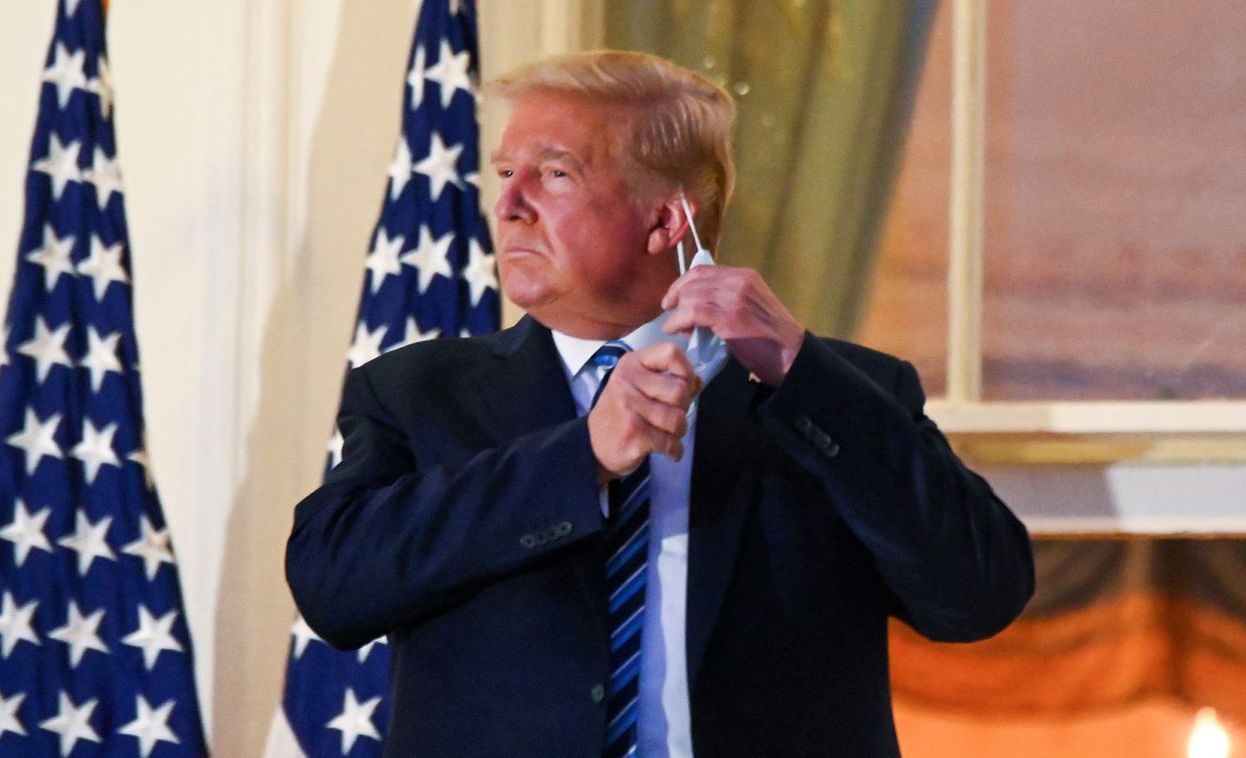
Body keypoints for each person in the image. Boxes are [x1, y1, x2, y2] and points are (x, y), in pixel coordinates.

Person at [286, 50, 1034, 757]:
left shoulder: (837, 393)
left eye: (553, 174)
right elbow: (330, 587)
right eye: (505, 172)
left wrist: (802, 376)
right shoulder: (417, 391)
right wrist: (579, 457)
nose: (509, 205)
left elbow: (976, 595)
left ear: (666, 222)